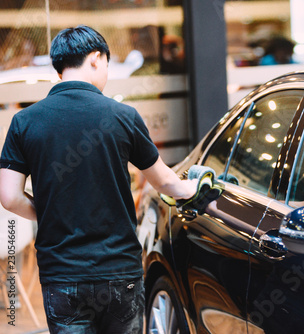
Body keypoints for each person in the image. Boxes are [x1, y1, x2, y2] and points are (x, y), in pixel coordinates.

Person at [0, 25, 197, 333]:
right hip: (118, 271)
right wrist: (195, 186)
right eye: (106, 63)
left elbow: (9, 197)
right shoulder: (122, 116)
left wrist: (53, 212)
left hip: (62, 274)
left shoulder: (24, 122)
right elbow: (169, 184)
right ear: (95, 59)